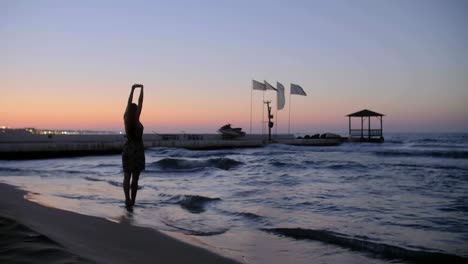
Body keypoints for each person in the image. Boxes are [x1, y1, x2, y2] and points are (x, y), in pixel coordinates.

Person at [122, 83, 145, 207]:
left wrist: (132, 90)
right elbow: (141, 102)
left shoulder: (126, 119)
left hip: (127, 149)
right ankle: (133, 201)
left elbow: (128, 103)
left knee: (127, 176)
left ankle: (127, 200)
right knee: (135, 178)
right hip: (137, 150)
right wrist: (141, 89)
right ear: (136, 111)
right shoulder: (136, 120)